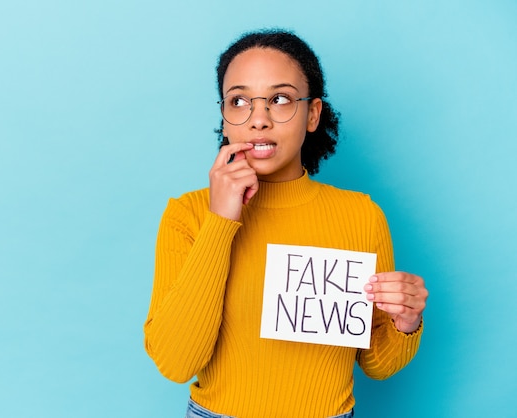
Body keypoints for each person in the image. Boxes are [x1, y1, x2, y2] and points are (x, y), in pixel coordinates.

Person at [144, 29, 428, 418]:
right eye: (239, 101)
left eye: (279, 99)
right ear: (225, 118)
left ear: (312, 114)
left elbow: (377, 364)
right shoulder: (189, 214)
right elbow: (176, 363)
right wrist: (221, 220)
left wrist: (406, 321)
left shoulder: (361, 215)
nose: (258, 120)